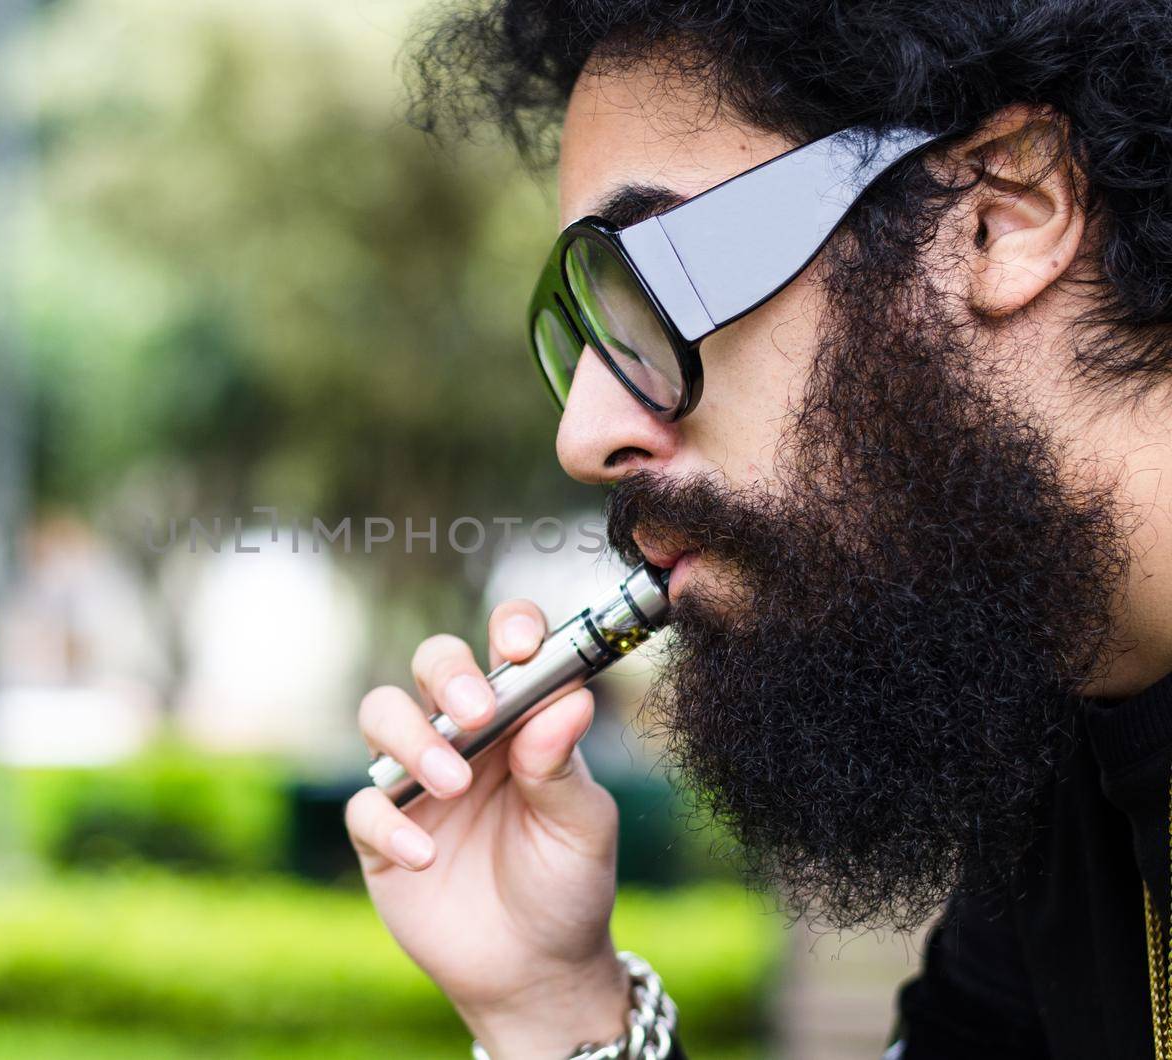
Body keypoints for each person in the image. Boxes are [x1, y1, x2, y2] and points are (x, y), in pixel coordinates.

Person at [343, 2, 1172, 1057]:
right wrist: (553, 1009)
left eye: (651, 287)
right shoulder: (1054, 786)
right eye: (586, 336)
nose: (583, 435)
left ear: (1000, 213)